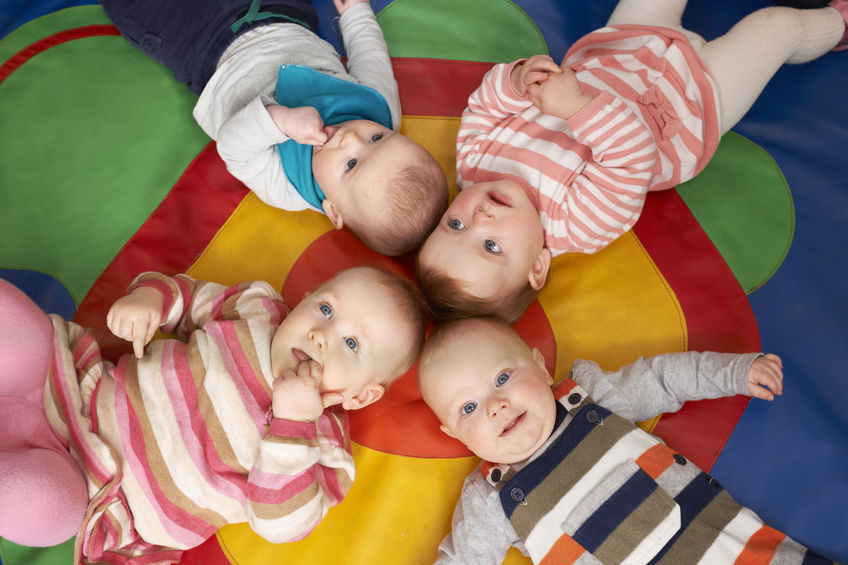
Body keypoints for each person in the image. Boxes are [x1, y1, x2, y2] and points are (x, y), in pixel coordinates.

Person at [417, 0, 848, 321]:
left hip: (622, 46)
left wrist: (514, 81)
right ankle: (836, 25)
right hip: (689, 106)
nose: (480, 218)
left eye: (454, 225)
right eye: (491, 247)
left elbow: (484, 106)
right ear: (537, 266)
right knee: (777, 26)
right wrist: (575, 109)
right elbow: (631, 157)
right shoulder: (577, 225)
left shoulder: (474, 165)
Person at [0, 266, 425, 562]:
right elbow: (186, 295)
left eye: (351, 345)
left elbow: (279, 524)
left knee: (44, 507)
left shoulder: (326, 451)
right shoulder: (258, 311)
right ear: (306, 300)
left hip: (98, 495)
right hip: (75, 389)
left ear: (361, 396)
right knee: (22, 330)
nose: (321, 335)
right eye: (326, 310)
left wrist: (293, 425)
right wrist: (150, 300)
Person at [418, 316, 836, 564]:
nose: (495, 405)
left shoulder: (592, 397)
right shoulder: (489, 499)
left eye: (503, 378)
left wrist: (732, 373)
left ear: (542, 368)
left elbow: (662, 378)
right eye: (468, 409)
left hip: (732, 550)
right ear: (454, 435)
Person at [99, 0, 448, 256]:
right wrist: (357, 12)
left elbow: (234, 147)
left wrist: (278, 121)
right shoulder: (379, 108)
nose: (350, 138)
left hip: (206, 49)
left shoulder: (286, 187)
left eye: (351, 165)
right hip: (280, 14)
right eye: (377, 138)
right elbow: (370, 57)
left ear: (333, 209)